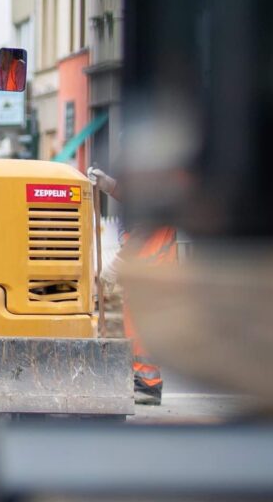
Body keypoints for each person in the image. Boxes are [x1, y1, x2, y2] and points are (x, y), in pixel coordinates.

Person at [88, 166, 174, 405]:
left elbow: (146, 227)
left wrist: (117, 263)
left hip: (151, 269)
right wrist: (109, 186)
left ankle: (148, 384)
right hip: (146, 269)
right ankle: (144, 381)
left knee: (142, 328)